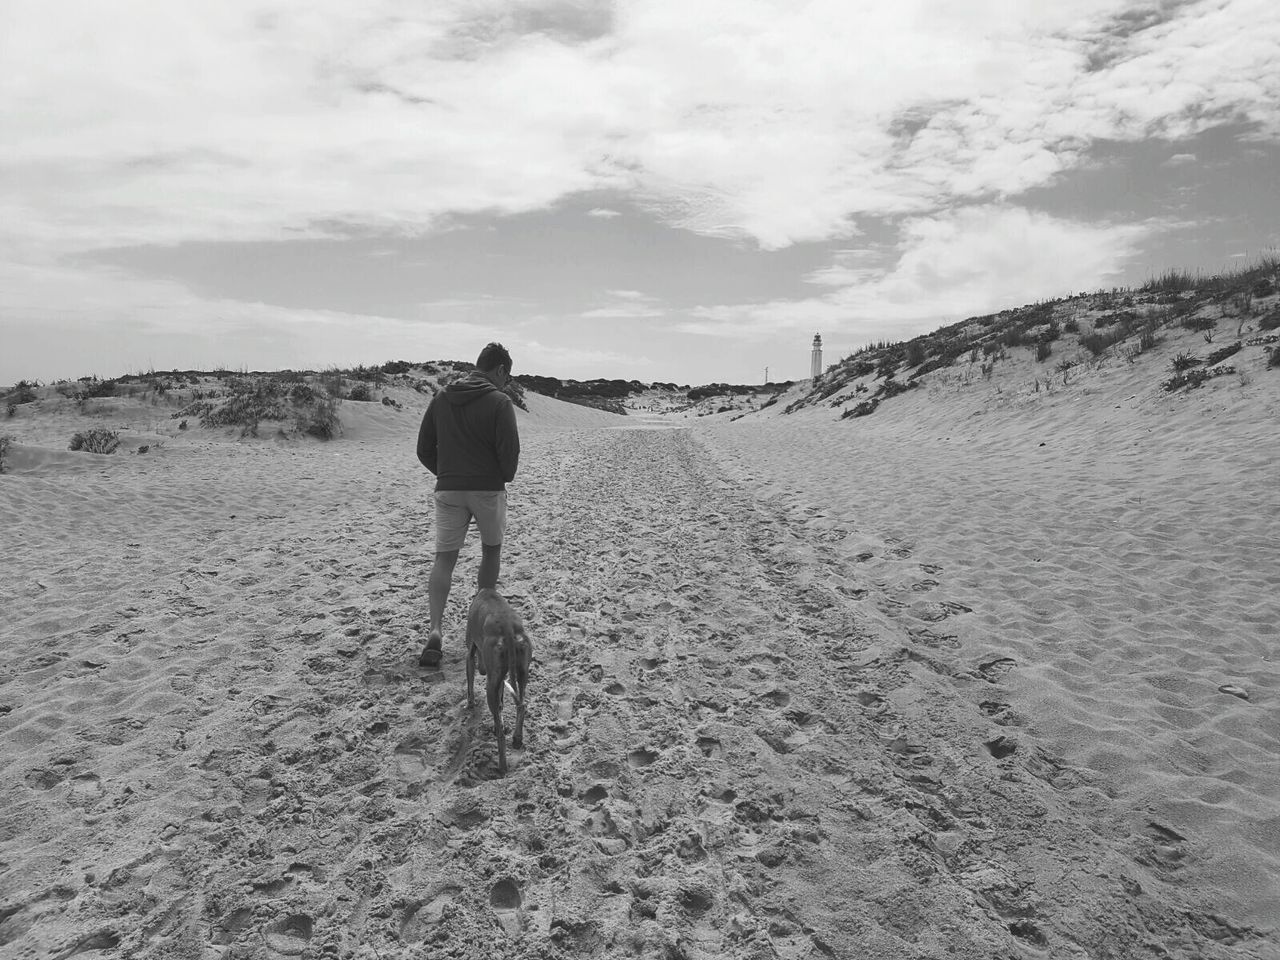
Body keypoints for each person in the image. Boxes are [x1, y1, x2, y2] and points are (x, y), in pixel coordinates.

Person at [415, 342, 520, 667]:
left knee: (444, 560)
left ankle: (435, 631)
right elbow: (510, 459)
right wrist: (496, 476)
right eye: (508, 376)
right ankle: (478, 627)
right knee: (490, 551)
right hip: (488, 489)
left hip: (449, 489)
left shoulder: (442, 397)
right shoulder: (500, 402)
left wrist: (448, 473)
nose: (508, 383)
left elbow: (423, 448)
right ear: (500, 370)